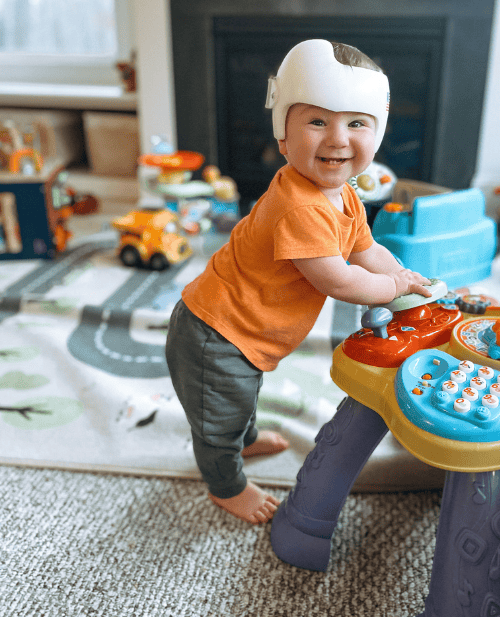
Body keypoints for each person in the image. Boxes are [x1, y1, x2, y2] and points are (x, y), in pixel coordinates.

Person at [166, 39, 431, 525]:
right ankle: (226, 484)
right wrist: (391, 289)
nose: (337, 139)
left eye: (356, 123)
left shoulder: (342, 193)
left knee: (241, 398)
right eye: (316, 121)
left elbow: (364, 251)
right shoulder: (302, 206)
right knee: (217, 420)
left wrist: (401, 276)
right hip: (216, 333)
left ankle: (242, 441)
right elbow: (341, 280)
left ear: (378, 133)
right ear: (283, 135)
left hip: (247, 331)